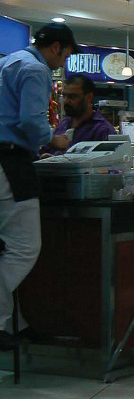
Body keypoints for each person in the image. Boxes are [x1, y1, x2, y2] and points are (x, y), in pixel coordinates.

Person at [0, 23, 76, 349]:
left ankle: (12, 324)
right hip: (10, 163)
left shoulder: (8, 61)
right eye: (66, 55)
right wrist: (53, 139)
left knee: (5, 247)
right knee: (24, 247)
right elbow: (31, 121)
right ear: (56, 47)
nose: (63, 62)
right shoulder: (35, 69)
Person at [39, 75, 115, 157]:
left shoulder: (102, 129)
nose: (66, 101)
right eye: (64, 96)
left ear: (89, 97)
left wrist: (58, 160)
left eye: (72, 97)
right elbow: (44, 151)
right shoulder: (64, 123)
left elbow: (103, 162)